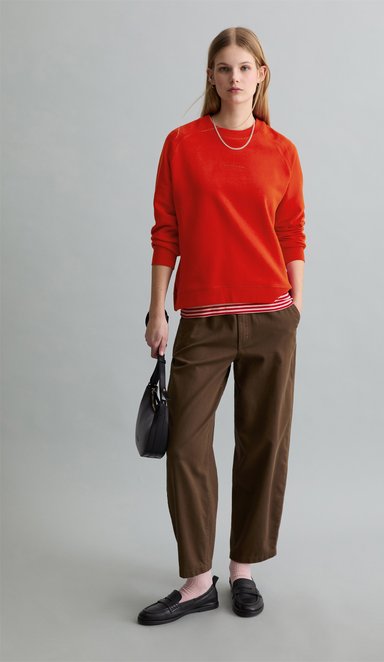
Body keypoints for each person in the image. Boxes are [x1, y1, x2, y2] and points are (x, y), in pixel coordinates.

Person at [138, 26, 306, 626]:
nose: (235, 78)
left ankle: (243, 570)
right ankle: (197, 581)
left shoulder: (281, 150)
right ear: (210, 77)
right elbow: (166, 231)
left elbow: (292, 231)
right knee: (187, 445)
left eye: (245, 67)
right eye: (224, 68)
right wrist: (158, 308)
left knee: (263, 444)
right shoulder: (181, 144)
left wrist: (296, 304)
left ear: (261, 75)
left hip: (270, 318)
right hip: (203, 320)